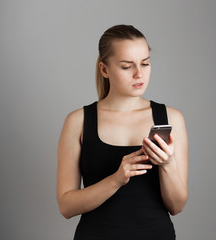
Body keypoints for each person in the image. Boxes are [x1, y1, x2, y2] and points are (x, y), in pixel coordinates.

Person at [56, 24, 188, 240]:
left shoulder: (172, 118)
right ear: (104, 69)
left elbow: (177, 206)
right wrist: (115, 179)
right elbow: (66, 206)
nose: (139, 73)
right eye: (127, 66)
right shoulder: (78, 122)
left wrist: (167, 165)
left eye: (145, 63)